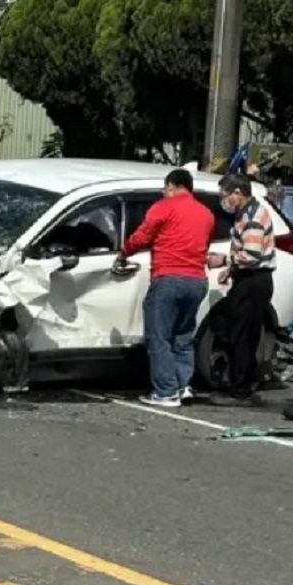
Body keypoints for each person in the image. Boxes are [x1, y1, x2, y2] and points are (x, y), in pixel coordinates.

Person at [118, 169, 215, 408]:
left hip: (168, 277)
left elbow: (142, 237)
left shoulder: (164, 207)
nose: (163, 192)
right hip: (197, 281)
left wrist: (123, 252)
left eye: (164, 188)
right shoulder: (207, 214)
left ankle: (165, 392)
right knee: (183, 336)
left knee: (159, 337)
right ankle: (183, 387)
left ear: (172, 186)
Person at [206, 173, 276, 407]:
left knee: (243, 335)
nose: (223, 200)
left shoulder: (254, 216)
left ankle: (241, 390)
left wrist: (225, 261)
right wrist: (233, 270)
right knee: (237, 330)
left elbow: (252, 255)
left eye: (225, 195)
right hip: (248, 279)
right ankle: (241, 381)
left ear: (238, 193)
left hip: (254, 281)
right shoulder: (244, 214)